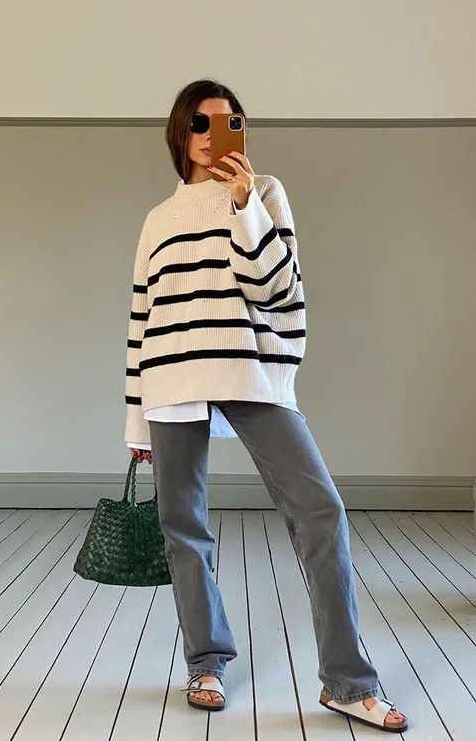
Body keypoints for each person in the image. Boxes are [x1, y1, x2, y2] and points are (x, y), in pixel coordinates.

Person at [124, 79, 407, 733]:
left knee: (320, 512)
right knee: (183, 528)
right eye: (200, 122)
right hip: (169, 382)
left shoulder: (264, 193)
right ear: (180, 132)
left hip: (248, 370)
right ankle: (205, 662)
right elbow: (142, 319)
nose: (212, 134)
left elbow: (277, 289)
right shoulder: (158, 219)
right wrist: (135, 420)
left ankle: (347, 682)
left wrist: (244, 203)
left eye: (228, 122)